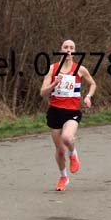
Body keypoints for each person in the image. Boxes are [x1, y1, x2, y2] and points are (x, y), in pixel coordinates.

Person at [39, 39, 96, 191]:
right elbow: (42, 93)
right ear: (61, 50)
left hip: (72, 112)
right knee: (59, 150)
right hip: (55, 112)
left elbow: (93, 84)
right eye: (66, 47)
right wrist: (53, 84)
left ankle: (73, 154)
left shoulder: (80, 69)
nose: (68, 50)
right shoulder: (52, 69)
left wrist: (88, 96)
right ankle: (63, 177)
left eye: (71, 47)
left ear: (74, 51)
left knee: (67, 137)